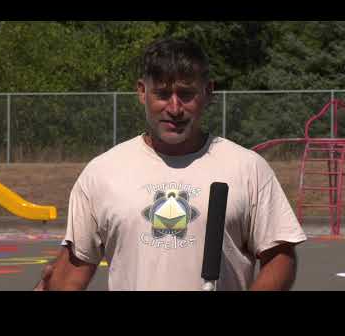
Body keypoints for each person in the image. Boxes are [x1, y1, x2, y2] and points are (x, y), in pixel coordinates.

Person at [34, 38, 307, 291]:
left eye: (186, 94)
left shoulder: (248, 168)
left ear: (208, 92)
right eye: (162, 94)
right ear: (142, 92)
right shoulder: (102, 173)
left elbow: (280, 258)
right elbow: (72, 269)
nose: (174, 108)